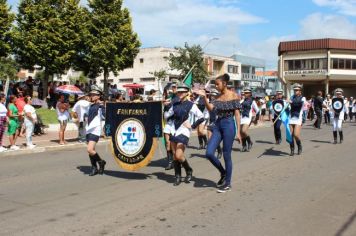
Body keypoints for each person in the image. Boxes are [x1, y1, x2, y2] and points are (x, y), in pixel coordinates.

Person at [197, 74, 241, 193]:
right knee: (209, 153)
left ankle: (228, 183)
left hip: (229, 125)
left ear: (225, 84)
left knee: (227, 154)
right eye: (215, 84)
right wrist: (205, 98)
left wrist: (239, 132)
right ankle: (223, 172)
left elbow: (237, 114)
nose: (216, 86)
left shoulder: (234, 96)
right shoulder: (217, 97)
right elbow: (211, 109)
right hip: (217, 125)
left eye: (218, 84)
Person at [164, 84, 205, 186]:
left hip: (184, 131)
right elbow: (166, 116)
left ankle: (188, 169)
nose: (180, 93)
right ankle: (177, 176)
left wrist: (192, 125)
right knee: (175, 156)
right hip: (174, 130)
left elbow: (201, 117)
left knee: (179, 155)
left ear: (187, 93)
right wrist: (166, 106)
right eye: (178, 92)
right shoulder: (175, 104)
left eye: (182, 92)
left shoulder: (191, 104)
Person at [86, 89, 106, 176]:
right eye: (91, 95)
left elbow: (105, 115)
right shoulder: (91, 105)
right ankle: (94, 168)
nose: (92, 96)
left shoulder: (101, 106)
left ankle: (101, 162)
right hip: (88, 129)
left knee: (89, 149)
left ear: (98, 96)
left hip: (96, 129)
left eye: (94, 95)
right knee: (91, 151)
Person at [288, 83, 306, 156]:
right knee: (290, 135)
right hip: (291, 117)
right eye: (294, 90)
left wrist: (291, 102)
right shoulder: (291, 97)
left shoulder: (303, 98)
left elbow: (298, 104)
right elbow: (289, 106)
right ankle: (292, 150)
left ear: (300, 91)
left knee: (296, 135)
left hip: (298, 118)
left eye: (297, 90)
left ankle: (299, 146)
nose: (295, 91)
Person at [240, 88, 259, 152]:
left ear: (250, 94)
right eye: (245, 93)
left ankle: (249, 141)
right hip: (241, 117)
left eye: (247, 93)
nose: (245, 94)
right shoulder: (242, 101)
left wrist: (256, 119)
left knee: (243, 131)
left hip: (248, 118)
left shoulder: (252, 101)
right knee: (241, 133)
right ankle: (244, 146)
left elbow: (257, 110)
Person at [206, 89, 222, 159]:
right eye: (211, 95)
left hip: (217, 123)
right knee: (209, 140)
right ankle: (212, 153)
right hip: (210, 122)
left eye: (214, 95)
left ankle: (219, 150)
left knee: (214, 139)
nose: (212, 96)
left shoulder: (219, 103)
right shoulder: (209, 103)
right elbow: (206, 113)